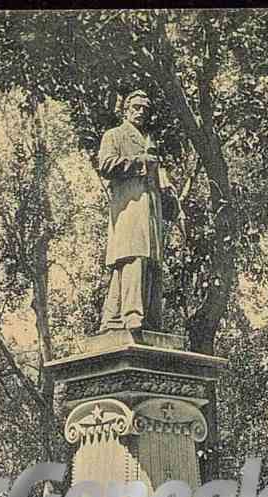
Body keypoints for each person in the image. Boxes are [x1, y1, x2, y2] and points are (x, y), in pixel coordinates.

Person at [98, 90, 179, 333]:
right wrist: (140, 162)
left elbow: (159, 178)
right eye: (136, 107)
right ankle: (132, 314)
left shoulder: (150, 141)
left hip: (151, 209)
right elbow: (105, 164)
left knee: (150, 261)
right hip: (129, 208)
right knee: (134, 257)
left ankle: (136, 319)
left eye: (145, 108)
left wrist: (167, 193)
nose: (141, 112)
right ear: (126, 110)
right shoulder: (115, 135)